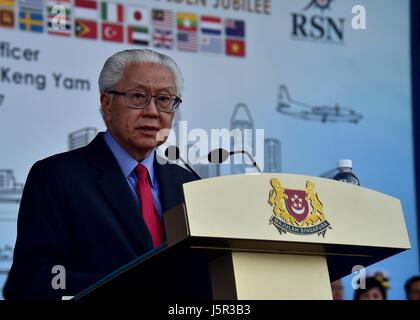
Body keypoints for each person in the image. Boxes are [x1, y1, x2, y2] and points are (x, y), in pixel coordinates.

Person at [3, 49, 199, 300]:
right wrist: (123, 286)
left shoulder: (188, 184)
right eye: (138, 96)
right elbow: (34, 277)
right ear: (106, 104)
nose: (153, 111)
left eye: (164, 100)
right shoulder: (56, 177)